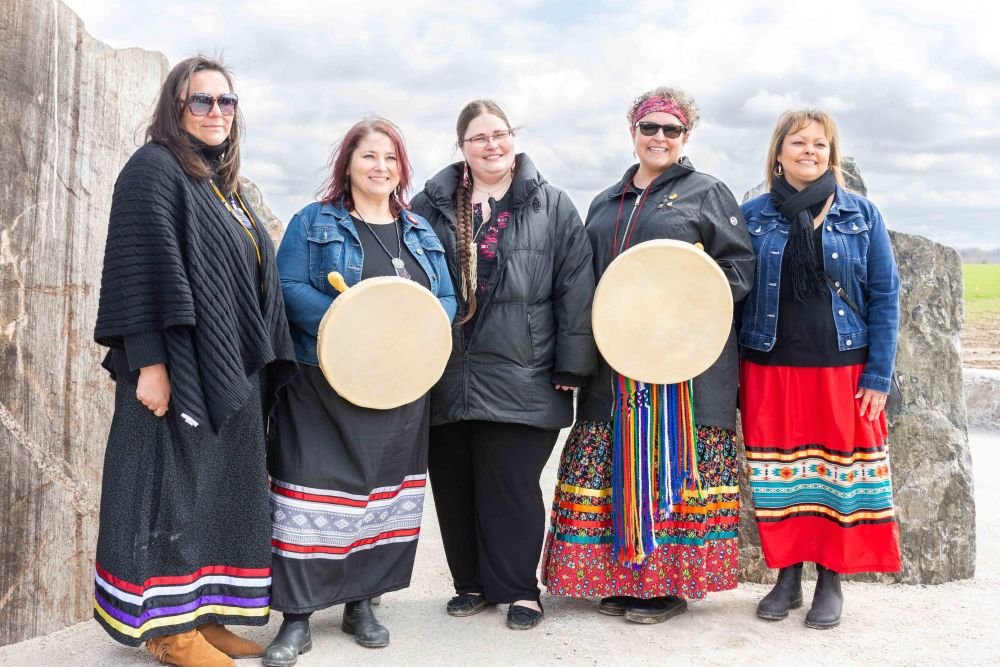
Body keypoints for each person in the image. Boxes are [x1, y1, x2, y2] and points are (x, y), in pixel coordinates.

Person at [92, 56, 297, 667]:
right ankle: (166, 630)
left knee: (214, 494)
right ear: (174, 109)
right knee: (168, 494)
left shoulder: (219, 182)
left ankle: (201, 616)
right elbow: (137, 269)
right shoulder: (152, 169)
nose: (215, 112)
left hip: (226, 367)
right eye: (200, 101)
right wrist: (150, 364)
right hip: (177, 370)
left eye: (226, 102)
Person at [541, 86, 755, 624]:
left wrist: (676, 310)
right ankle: (614, 579)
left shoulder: (709, 193)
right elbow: (582, 283)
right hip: (615, 368)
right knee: (609, 467)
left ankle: (665, 586)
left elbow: (738, 273)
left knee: (669, 471)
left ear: (686, 137)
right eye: (649, 127)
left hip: (679, 370)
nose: (659, 137)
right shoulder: (604, 203)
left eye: (671, 129)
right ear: (632, 132)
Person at [262, 117, 456, 664]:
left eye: (391, 158)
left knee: (380, 494)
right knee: (308, 493)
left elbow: (444, 300)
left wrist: (408, 328)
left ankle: (361, 603)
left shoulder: (419, 230)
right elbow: (287, 288)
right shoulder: (313, 222)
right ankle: (296, 616)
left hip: (397, 384)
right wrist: (353, 325)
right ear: (347, 164)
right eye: (370, 156)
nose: (381, 168)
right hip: (321, 383)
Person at [409, 100, 595, 630]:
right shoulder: (430, 204)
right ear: (462, 147)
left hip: (525, 370)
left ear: (513, 138)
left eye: (500, 134)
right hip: (447, 372)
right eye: (478, 138)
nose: (492, 145)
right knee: (454, 480)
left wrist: (572, 368)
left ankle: (518, 588)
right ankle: (469, 584)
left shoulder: (552, 205)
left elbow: (575, 288)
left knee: (510, 481)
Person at [739, 109, 901, 629]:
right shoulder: (753, 215)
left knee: (839, 479)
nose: (810, 151)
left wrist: (878, 375)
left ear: (831, 154)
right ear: (779, 152)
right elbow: (733, 295)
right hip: (770, 365)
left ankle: (831, 580)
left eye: (820, 144)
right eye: (799, 142)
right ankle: (786, 577)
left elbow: (885, 295)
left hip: (843, 369)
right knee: (778, 479)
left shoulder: (861, 214)